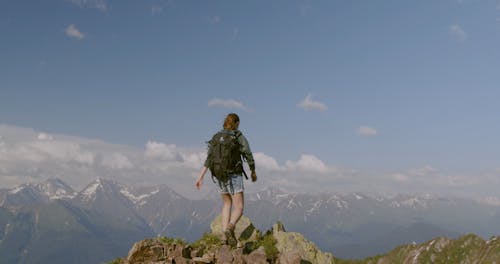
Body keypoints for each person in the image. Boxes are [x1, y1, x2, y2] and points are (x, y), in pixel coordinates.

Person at [195, 113, 257, 247]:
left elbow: (209, 158)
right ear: (237, 123)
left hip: (219, 175)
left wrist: (201, 176)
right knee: (239, 207)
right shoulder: (238, 136)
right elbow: (248, 153)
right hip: (234, 174)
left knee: (227, 204)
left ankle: (224, 237)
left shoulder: (217, 137)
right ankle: (230, 227)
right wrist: (252, 170)